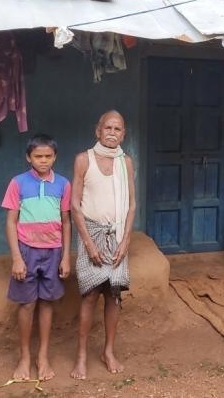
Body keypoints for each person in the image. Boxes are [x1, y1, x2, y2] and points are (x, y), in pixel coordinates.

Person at [70, 111, 137, 380]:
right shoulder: (83, 160)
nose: (112, 132)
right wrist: (87, 243)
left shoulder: (126, 163)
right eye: (107, 127)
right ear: (97, 131)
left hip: (118, 235)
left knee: (114, 296)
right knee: (90, 295)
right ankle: (82, 356)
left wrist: (127, 239)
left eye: (117, 128)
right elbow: (75, 205)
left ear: (124, 134)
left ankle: (108, 351)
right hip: (91, 234)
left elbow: (132, 204)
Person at [2, 135, 72, 381]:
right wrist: (16, 258)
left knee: (47, 303)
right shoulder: (18, 183)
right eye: (38, 156)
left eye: (48, 156)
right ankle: (24, 357)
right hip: (26, 251)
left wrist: (65, 257)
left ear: (55, 157)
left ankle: (43, 356)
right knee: (27, 304)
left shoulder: (63, 184)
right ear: (28, 158)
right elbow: (11, 222)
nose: (43, 161)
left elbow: (66, 222)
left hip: (53, 251)